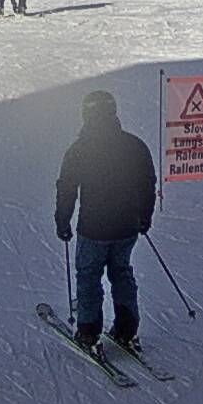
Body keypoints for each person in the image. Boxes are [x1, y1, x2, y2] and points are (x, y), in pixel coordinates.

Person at [54, 90, 157, 348]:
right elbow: (147, 184)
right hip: (126, 227)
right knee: (121, 272)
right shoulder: (135, 146)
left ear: (86, 115)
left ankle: (88, 331)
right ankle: (126, 328)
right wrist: (144, 217)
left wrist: (63, 221)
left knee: (89, 275)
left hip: (94, 229)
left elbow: (67, 188)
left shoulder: (79, 150)